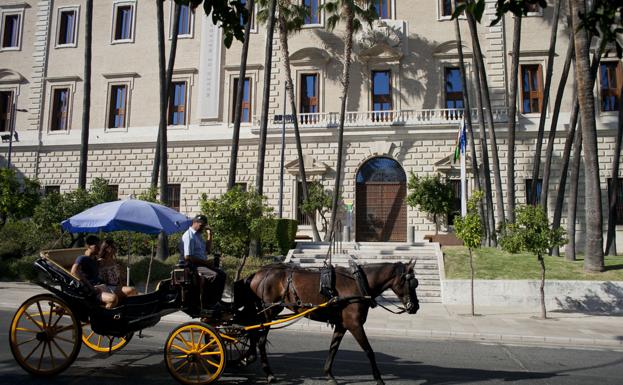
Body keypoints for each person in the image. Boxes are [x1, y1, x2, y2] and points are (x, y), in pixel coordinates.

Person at [180, 214, 226, 310]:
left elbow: (207, 250)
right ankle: (208, 303)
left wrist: (209, 235)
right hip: (192, 265)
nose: (203, 228)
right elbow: (188, 257)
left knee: (222, 274)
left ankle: (216, 300)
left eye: (204, 226)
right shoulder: (189, 236)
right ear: (194, 223)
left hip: (202, 264)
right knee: (213, 276)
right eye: (201, 226)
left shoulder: (198, 235)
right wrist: (207, 263)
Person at [71, 235, 118, 309]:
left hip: (101, 286)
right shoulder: (82, 258)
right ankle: (102, 318)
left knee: (127, 292)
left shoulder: (94, 259)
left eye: (99, 246)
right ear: (89, 246)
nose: (99, 248)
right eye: (97, 246)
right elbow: (74, 272)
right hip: (92, 289)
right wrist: (90, 287)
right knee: (113, 299)